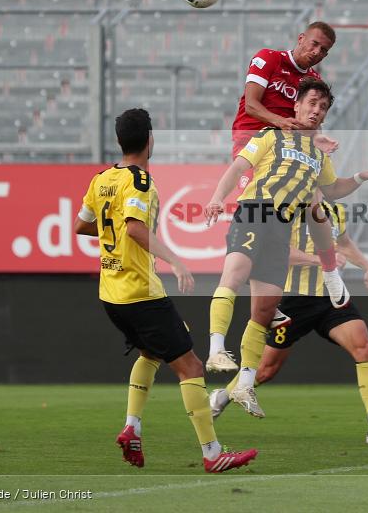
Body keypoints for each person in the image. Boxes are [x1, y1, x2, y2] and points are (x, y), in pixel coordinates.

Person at [73, 108, 257, 473]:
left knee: (151, 353)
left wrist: (110, 234)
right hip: (140, 293)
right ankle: (212, 453)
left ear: (119, 140)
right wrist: (175, 260)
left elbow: (81, 226)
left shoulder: (102, 179)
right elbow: (135, 229)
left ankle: (132, 427)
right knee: (190, 366)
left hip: (111, 295)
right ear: (149, 139)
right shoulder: (141, 182)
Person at [204, 78, 368, 418]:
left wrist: (363, 177)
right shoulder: (270, 136)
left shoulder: (317, 158)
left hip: (287, 242)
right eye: (312, 103)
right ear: (295, 105)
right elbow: (238, 166)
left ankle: (242, 386)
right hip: (257, 215)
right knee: (235, 278)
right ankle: (216, 350)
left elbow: (334, 191)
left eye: (323, 108)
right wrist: (218, 197)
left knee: (263, 317)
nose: (317, 110)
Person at [207, 22, 347, 375]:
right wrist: (280, 124)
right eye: (314, 44)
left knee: (314, 206)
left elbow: (307, 118)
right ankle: (310, 277)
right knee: (270, 213)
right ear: (301, 39)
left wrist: (317, 140)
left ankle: (277, 299)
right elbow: (253, 106)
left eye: (324, 50)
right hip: (256, 143)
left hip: (289, 149)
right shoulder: (268, 59)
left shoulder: (310, 81)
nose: (317, 52)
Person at [209, 200, 368, 444]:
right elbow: (275, 251)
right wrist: (319, 260)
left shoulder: (335, 209)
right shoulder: (286, 210)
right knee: (265, 370)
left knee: (364, 347)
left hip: (329, 297)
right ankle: (221, 399)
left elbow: (343, 245)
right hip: (293, 299)